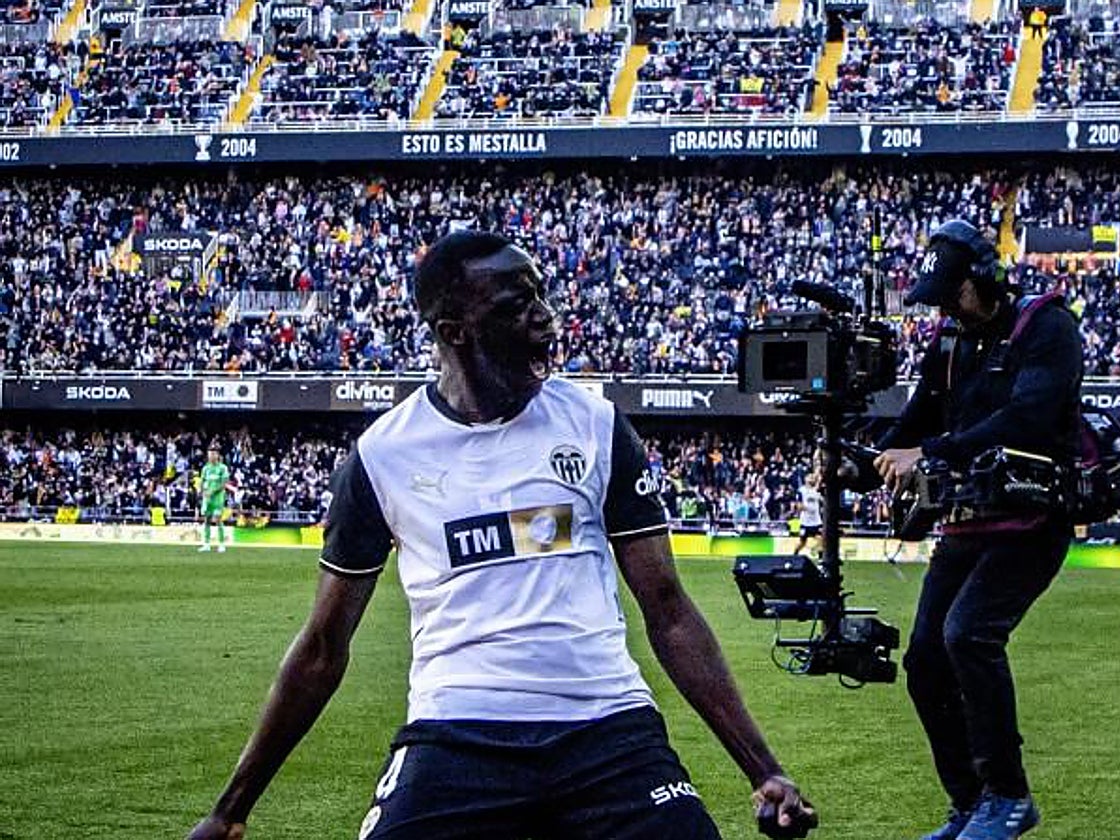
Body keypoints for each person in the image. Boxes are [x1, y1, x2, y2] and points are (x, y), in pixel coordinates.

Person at [186, 231, 814, 840]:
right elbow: (323, 646)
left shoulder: (595, 426)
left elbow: (669, 611)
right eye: (518, 307)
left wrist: (765, 770)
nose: (545, 318)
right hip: (455, 733)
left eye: (541, 297)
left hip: (606, 724)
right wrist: (231, 810)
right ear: (453, 331)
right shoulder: (383, 457)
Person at [873, 221, 1081, 840]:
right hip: (967, 522)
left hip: (1032, 520)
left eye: (951, 292)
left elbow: (1028, 419)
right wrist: (861, 461)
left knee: (968, 635)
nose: (943, 306)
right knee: (924, 660)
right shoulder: (949, 341)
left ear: (983, 280)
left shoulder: (1047, 327)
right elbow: (915, 424)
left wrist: (930, 451)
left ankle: (1009, 797)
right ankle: (970, 803)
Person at [198, 445, 231, 553]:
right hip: (207, 499)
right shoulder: (205, 468)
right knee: (206, 520)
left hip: (218, 498)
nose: (211, 456)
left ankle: (221, 544)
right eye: (209, 453)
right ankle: (206, 544)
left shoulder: (222, 468)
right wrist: (203, 492)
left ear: (217, 455)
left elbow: (224, 483)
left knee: (218, 519)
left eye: (213, 453)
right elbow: (202, 482)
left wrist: (212, 491)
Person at [792, 472, 823, 558]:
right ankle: (794, 555)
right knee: (802, 542)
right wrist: (808, 508)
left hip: (816, 521)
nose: (812, 478)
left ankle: (820, 558)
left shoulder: (816, 490)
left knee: (821, 539)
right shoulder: (801, 491)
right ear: (805, 479)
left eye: (813, 477)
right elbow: (799, 506)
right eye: (810, 477)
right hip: (805, 522)